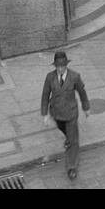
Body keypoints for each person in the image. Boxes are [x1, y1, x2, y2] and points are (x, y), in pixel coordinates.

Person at [40, 51, 90, 180]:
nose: (60, 69)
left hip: (71, 113)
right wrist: (45, 114)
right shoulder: (50, 77)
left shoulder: (75, 77)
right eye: (58, 66)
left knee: (73, 140)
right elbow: (45, 95)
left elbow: (82, 93)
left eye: (62, 66)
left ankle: (71, 167)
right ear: (55, 66)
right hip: (56, 113)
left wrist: (86, 107)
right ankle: (69, 138)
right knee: (67, 133)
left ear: (66, 65)